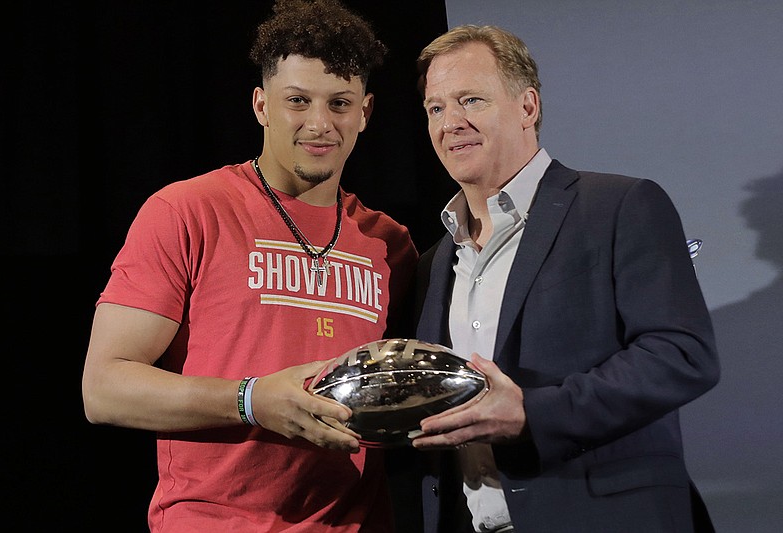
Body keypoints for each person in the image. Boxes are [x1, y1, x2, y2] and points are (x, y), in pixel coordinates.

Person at [81, 1, 417, 531]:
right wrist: (251, 400)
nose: (319, 123)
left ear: (365, 113)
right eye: (297, 101)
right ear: (261, 105)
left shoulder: (388, 244)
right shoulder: (188, 210)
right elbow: (104, 389)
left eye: (340, 103)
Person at [392, 24, 720, 533]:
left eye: (471, 100)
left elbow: (681, 354)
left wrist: (532, 414)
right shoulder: (434, 260)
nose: (450, 122)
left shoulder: (619, 206)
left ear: (528, 107)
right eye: (436, 108)